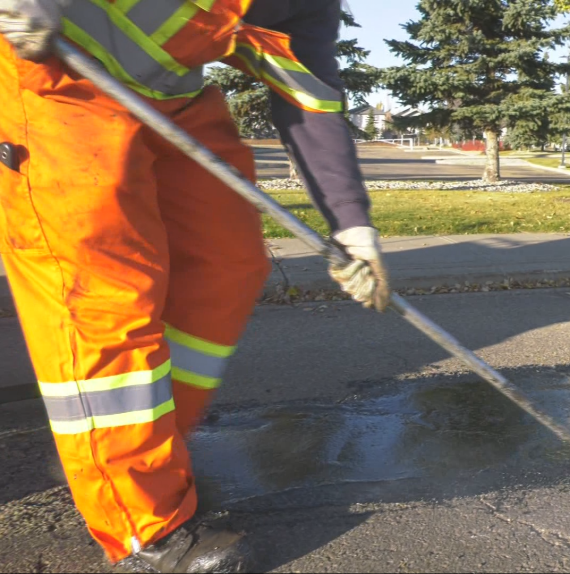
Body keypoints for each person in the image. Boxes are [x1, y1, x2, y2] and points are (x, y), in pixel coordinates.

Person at [0, 0, 388, 571]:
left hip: (171, 98)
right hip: (51, 75)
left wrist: (352, 226)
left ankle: (142, 451)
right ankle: (142, 523)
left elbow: (308, 98)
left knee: (226, 263)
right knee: (101, 293)